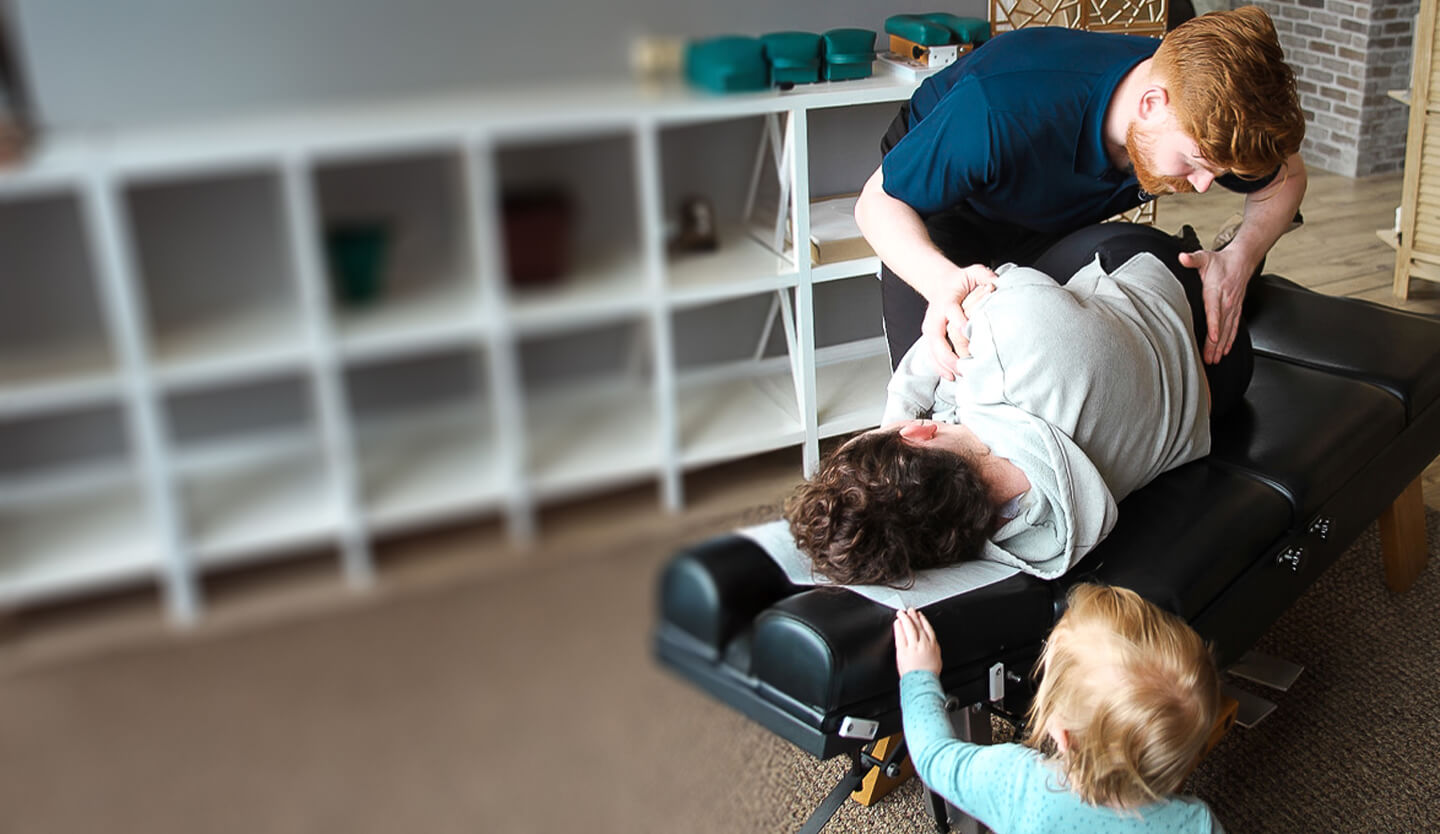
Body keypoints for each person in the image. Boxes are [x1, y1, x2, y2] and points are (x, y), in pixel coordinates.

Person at [784, 222, 1246, 587]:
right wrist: (904, 408)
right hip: (1166, 289)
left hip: (1219, 393)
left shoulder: (1010, 535)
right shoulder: (1007, 346)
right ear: (917, 431)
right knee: (1002, 264)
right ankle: (1218, 257)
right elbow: (989, 286)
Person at [857, 6, 1305, 381]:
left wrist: (1239, 260)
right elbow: (876, 203)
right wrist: (941, 283)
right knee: (938, 390)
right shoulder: (998, 111)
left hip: (1046, 218)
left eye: (1216, 170)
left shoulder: (1194, 104)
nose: (1205, 185)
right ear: (1151, 105)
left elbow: (1287, 178)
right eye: (1195, 161)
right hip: (936, 211)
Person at [893, 584, 1225, 832]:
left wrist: (918, 676)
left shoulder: (1019, 783)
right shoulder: (1197, 824)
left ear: (1065, 737)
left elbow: (933, 756)